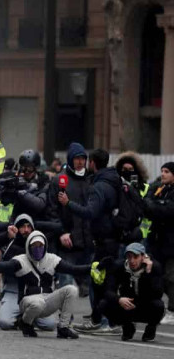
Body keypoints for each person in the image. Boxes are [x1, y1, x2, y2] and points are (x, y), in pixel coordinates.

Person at [0, 230, 98, 339]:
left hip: (47, 300)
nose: (38, 248)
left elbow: (73, 269)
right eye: (34, 246)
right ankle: (25, 323)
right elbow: (3, 267)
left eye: (40, 246)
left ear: (45, 246)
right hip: (27, 302)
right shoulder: (20, 260)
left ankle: (63, 327)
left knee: (71, 290)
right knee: (37, 303)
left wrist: (93, 267)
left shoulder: (52, 259)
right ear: (28, 246)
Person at [58, 148, 122, 335]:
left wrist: (68, 203)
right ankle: (104, 320)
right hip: (112, 237)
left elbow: (90, 212)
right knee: (103, 281)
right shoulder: (113, 179)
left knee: (100, 282)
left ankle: (103, 321)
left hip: (104, 239)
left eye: (86, 159)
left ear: (92, 162)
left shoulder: (99, 186)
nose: (83, 163)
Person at [0, 214, 56, 331]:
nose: (26, 230)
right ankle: (18, 314)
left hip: (36, 293)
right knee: (5, 322)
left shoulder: (40, 245)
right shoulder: (10, 247)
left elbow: (58, 228)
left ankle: (27, 317)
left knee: (49, 325)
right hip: (14, 291)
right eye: (22, 227)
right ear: (16, 228)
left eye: (29, 226)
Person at [47, 143, 93, 292]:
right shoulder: (59, 180)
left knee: (91, 284)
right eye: (77, 158)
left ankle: (97, 315)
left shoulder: (90, 179)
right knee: (66, 283)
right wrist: (61, 233)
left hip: (87, 241)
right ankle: (66, 315)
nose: (80, 162)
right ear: (70, 159)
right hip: (67, 241)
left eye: (82, 159)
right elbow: (52, 210)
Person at [99, 243, 164, 342]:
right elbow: (107, 291)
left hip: (146, 304)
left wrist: (148, 272)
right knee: (104, 304)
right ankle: (127, 326)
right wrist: (119, 299)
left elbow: (158, 293)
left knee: (159, 305)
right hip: (127, 304)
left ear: (143, 256)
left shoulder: (154, 267)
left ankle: (151, 327)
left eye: (136, 257)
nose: (132, 261)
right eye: (129, 257)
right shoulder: (119, 266)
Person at [143, 162, 174, 325]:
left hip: (171, 244)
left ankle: (172, 310)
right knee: (156, 276)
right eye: (162, 171)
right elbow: (147, 205)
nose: (163, 174)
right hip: (156, 241)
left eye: (167, 171)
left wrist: (154, 205)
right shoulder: (160, 188)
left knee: (170, 277)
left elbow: (167, 211)